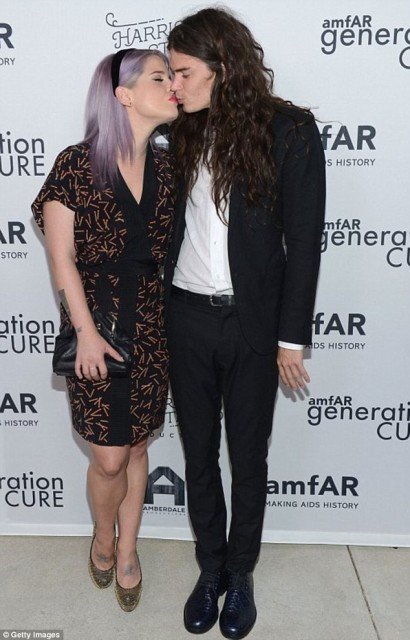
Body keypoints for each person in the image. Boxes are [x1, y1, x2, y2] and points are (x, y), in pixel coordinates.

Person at [164, 8, 326, 639]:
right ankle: (210, 569)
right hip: (185, 317)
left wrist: (292, 339)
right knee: (198, 453)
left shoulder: (290, 130)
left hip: (254, 323)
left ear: (223, 67)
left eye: (183, 72)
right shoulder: (176, 131)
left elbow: (304, 243)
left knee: (248, 455)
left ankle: (241, 571)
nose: (174, 84)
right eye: (170, 72)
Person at [32, 48, 178, 612]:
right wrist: (86, 333)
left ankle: (129, 549)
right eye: (160, 77)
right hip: (95, 326)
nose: (172, 86)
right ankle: (101, 535)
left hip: (153, 326)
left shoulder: (169, 167)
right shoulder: (77, 163)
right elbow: (61, 257)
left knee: (137, 446)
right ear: (123, 95)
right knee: (109, 458)